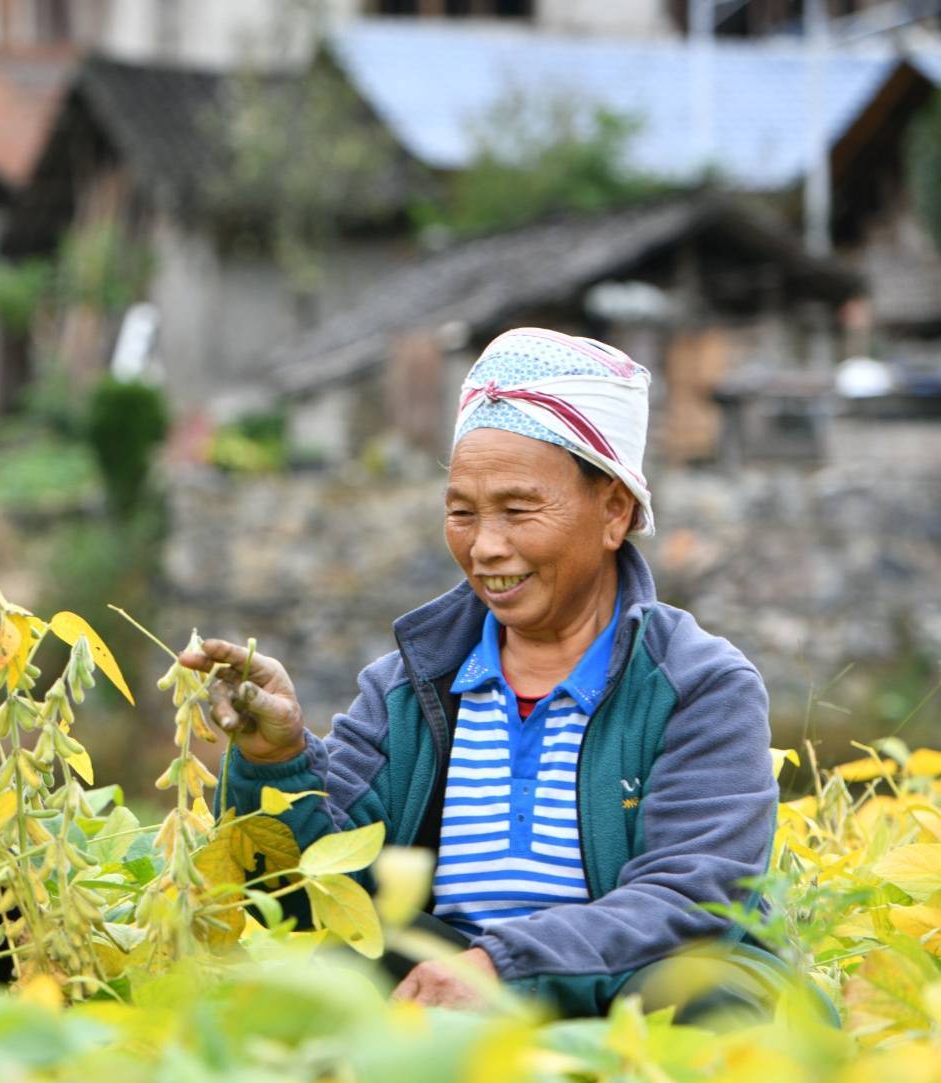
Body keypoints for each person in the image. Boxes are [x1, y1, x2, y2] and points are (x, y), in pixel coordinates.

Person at [185, 327, 815, 1025]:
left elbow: (691, 899)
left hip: (619, 985)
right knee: (304, 984)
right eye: (462, 512)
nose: (485, 547)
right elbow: (314, 895)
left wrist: (505, 966)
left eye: (517, 510)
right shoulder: (406, 689)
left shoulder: (699, 685)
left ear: (614, 510)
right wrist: (276, 759)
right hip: (448, 971)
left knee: (709, 996)